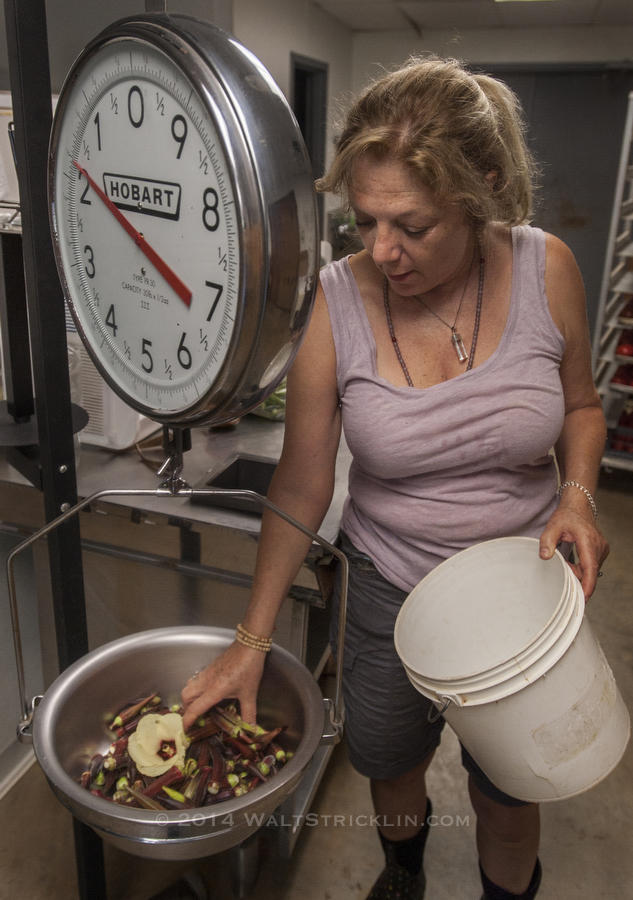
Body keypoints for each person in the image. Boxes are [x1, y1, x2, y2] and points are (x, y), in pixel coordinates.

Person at [182, 56, 609, 900]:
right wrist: (251, 640)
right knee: (389, 766)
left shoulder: (544, 267)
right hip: (388, 590)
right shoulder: (336, 302)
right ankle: (402, 875)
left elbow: (581, 405)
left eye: (411, 225)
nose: (382, 251)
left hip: (519, 596)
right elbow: (303, 486)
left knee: (509, 794)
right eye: (365, 220)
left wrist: (576, 494)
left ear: (482, 189)